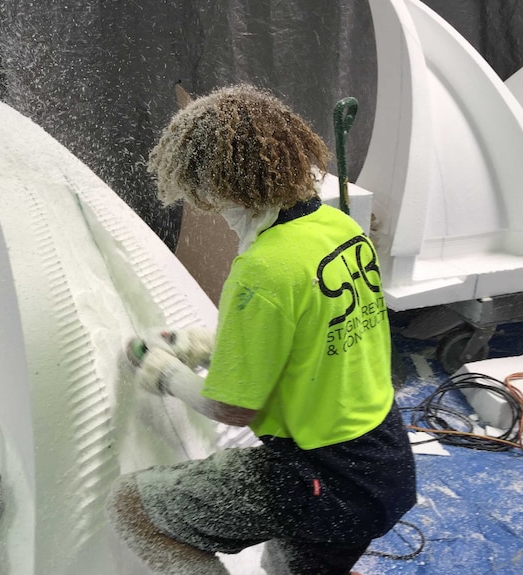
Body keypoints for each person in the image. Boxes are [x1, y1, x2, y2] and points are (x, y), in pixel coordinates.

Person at [105, 84, 417, 575]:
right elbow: (312, 343)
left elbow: (233, 407)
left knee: (132, 508)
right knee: (294, 563)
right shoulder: (339, 229)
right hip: (383, 460)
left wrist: (167, 374)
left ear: (212, 184)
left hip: (325, 476)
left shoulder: (263, 270)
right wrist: (204, 346)